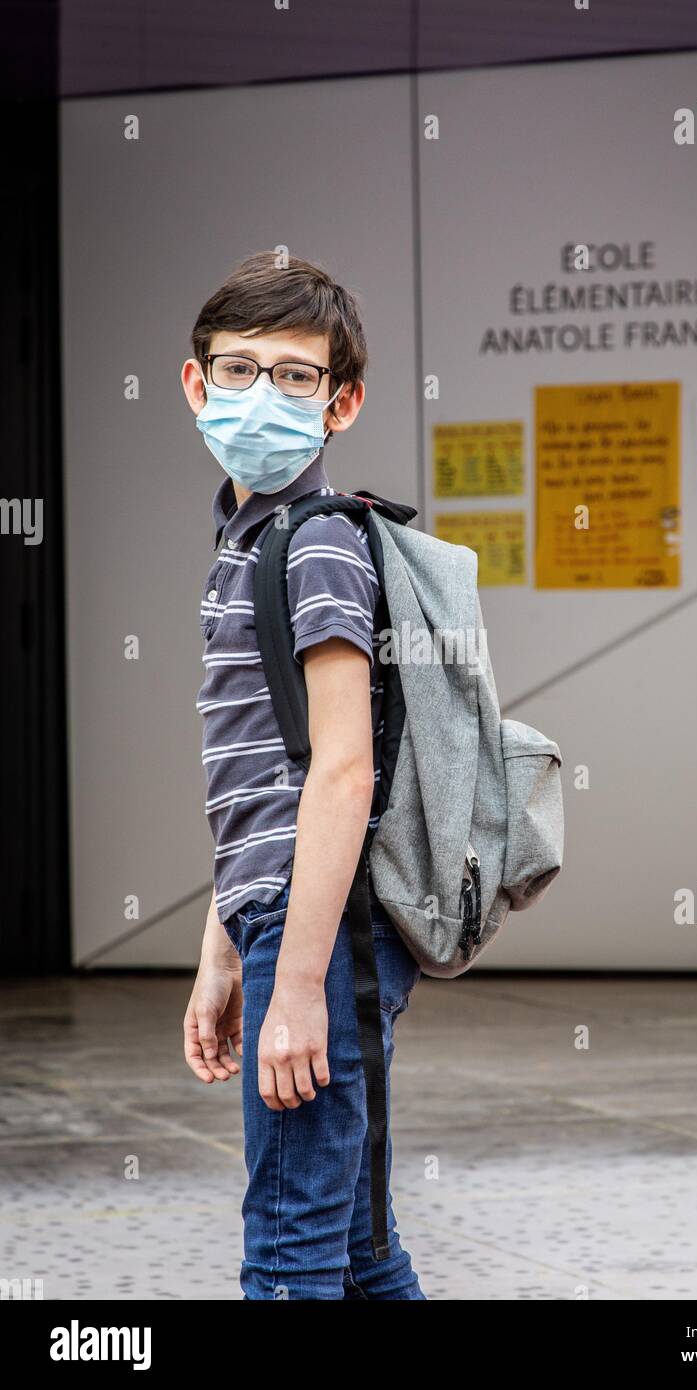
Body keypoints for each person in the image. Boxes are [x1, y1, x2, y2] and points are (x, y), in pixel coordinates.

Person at [180, 252, 426, 1300]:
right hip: (289, 924)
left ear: (341, 403)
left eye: (293, 377)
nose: (259, 396)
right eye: (237, 370)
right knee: (359, 1255)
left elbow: (339, 770)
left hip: (317, 930)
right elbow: (262, 787)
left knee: (289, 1255)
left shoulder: (315, 543)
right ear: (193, 384)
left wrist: (293, 987)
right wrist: (223, 949)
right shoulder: (248, 542)